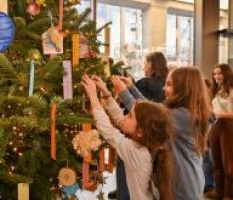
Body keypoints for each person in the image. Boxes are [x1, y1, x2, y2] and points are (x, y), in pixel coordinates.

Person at [114, 67, 211, 200]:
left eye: (170, 84)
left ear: (184, 88)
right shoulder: (183, 111)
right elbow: (149, 109)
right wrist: (131, 88)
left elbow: (146, 116)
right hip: (182, 184)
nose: (164, 88)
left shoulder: (184, 116)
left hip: (183, 187)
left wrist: (124, 93)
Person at [81, 74, 174, 200]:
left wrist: (92, 95)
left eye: (130, 116)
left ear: (140, 131)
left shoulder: (137, 152)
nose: (125, 116)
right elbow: (120, 119)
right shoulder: (147, 145)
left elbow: (108, 130)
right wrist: (105, 92)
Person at [206, 63, 233, 199]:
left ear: (226, 74)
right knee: (215, 162)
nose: (216, 76)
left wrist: (221, 115)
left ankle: (228, 194)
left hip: (229, 128)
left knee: (228, 164)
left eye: (220, 73)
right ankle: (219, 192)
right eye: (215, 73)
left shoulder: (232, 91)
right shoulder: (215, 91)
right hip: (215, 128)